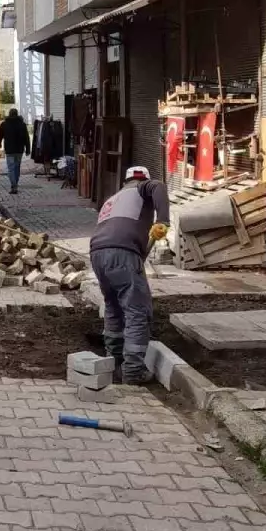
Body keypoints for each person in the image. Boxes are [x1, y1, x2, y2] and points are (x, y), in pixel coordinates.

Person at [89, 165, 169, 384]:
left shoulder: (111, 200)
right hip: (122, 253)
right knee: (136, 311)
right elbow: (158, 186)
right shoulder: (144, 188)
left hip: (97, 254)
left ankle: (113, 362)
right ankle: (133, 372)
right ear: (142, 180)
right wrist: (163, 220)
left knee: (114, 306)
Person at [0, 108, 30, 194]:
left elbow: (0, 136)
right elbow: (26, 138)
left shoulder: (4, 124)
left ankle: (14, 185)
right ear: (17, 114)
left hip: (9, 150)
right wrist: (28, 149)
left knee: (11, 168)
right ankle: (15, 183)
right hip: (19, 150)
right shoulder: (22, 124)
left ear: (9, 114)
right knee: (17, 168)